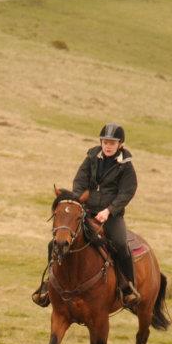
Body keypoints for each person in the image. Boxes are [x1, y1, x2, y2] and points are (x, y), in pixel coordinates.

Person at [33, 122, 142, 307]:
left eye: (112, 143)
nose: (108, 146)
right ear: (101, 142)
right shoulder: (91, 157)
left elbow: (127, 192)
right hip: (87, 211)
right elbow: (79, 180)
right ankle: (47, 285)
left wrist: (109, 211)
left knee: (120, 244)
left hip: (111, 216)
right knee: (56, 242)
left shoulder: (126, 167)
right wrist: (79, 201)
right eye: (105, 142)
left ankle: (127, 288)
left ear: (120, 145)